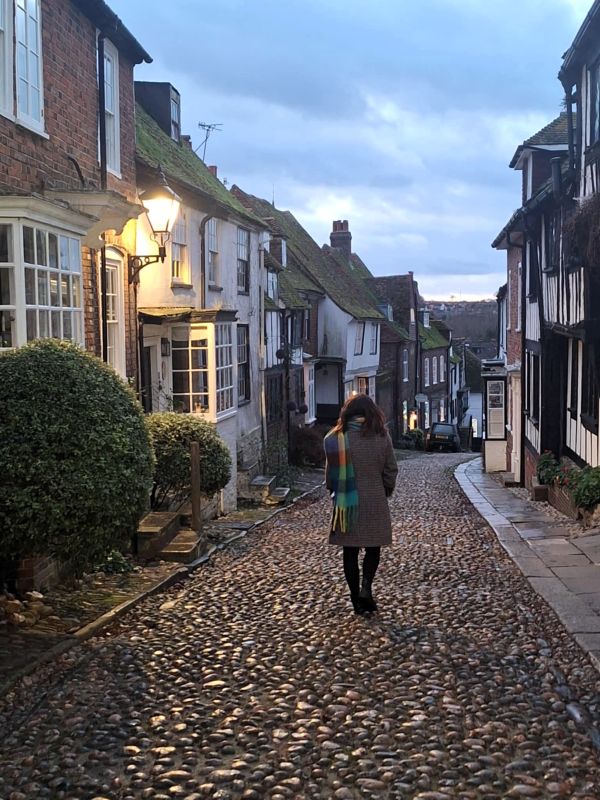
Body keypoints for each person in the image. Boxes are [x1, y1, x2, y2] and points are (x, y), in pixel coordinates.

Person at [324, 394, 398, 614]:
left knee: (350, 551)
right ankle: (367, 587)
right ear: (372, 412)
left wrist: (335, 491)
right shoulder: (381, 436)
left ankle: (355, 597)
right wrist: (385, 488)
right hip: (375, 499)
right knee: (373, 548)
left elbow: (331, 474)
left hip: (347, 503)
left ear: (347, 413)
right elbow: (391, 469)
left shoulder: (336, 438)